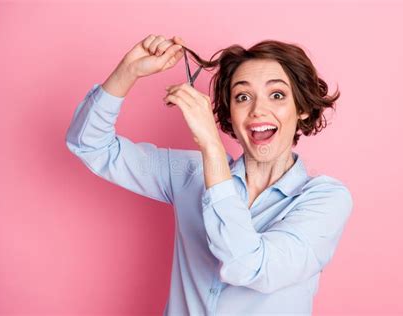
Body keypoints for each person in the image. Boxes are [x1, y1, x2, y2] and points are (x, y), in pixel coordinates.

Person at [65, 34, 353, 316]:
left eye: (276, 95)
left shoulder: (326, 200)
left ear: (301, 108)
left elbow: (251, 267)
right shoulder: (189, 174)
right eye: (242, 96)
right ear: (230, 113)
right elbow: (90, 144)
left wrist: (211, 147)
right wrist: (127, 72)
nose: (258, 109)